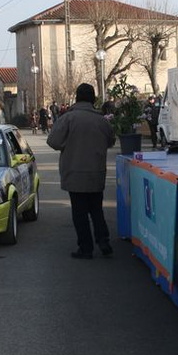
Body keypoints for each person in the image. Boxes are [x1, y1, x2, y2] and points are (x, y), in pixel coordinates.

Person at [47, 83, 115, 259]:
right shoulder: (101, 120)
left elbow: (53, 141)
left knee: (80, 213)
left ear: (77, 97)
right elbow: (111, 141)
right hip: (96, 172)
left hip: (74, 172)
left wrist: (68, 145)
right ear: (93, 99)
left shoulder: (68, 118)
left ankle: (86, 248)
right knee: (96, 209)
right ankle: (104, 240)